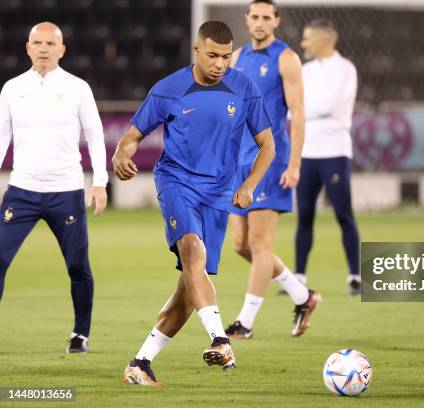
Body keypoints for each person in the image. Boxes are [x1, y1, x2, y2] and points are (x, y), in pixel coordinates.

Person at [115, 21, 275, 386]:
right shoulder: (169, 89)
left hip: (219, 195)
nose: (220, 64)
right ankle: (220, 340)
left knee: (188, 292)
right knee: (192, 251)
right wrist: (121, 156)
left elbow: (268, 145)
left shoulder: (243, 87)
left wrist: (249, 185)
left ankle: (140, 364)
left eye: (226, 56)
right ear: (196, 52)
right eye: (213, 55)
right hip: (177, 183)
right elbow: (131, 136)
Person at [0, 22, 108, 353]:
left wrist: (100, 182)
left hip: (67, 192)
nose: (44, 48)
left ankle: (80, 334)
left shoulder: (78, 88)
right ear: (28, 48)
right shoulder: (11, 88)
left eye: (51, 43)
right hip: (21, 191)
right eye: (37, 42)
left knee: (78, 266)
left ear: (62, 50)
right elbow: (2, 138)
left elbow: (96, 135)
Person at [224, 0, 321, 340]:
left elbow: (298, 113)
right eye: (255, 17)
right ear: (247, 20)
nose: (261, 22)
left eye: (267, 17)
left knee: (260, 243)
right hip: (240, 161)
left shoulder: (286, 58)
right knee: (240, 244)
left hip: (271, 159)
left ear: (276, 21)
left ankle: (244, 323)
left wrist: (295, 163)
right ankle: (303, 296)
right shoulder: (236, 57)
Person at [296, 19, 361, 295]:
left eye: (308, 38)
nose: (303, 43)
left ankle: (355, 276)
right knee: (305, 215)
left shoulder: (345, 69)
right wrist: (301, 109)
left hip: (334, 151)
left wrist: (302, 108)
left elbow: (326, 106)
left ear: (324, 40)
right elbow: (291, 109)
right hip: (306, 150)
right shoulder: (304, 69)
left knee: (344, 215)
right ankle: (298, 277)